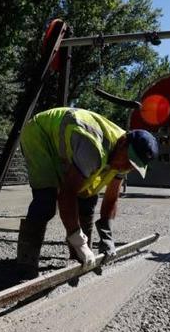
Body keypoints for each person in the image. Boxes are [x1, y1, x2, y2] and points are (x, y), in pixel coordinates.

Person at [16, 107, 159, 278]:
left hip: (69, 145)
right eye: (128, 162)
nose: (125, 168)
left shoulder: (124, 156)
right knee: (45, 201)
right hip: (40, 134)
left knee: (88, 199)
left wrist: (106, 235)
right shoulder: (93, 148)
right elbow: (67, 194)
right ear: (121, 143)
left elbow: (111, 198)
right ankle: (25, 264)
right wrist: (78, 239)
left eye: (133, 167)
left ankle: (78, 256)